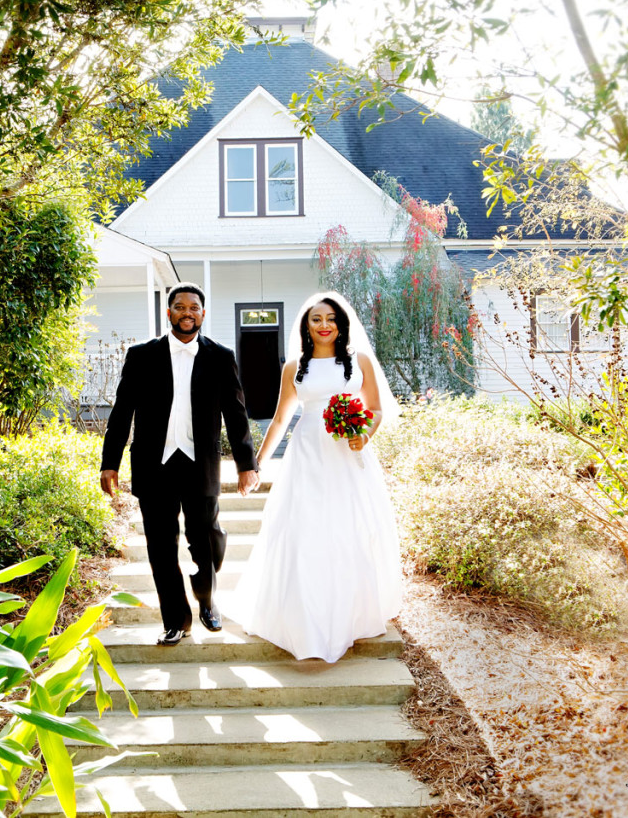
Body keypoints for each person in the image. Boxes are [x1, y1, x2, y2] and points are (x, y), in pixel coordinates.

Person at [229, 292, 404, 663]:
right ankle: (304, 620)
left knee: (346, 530)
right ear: (306, 327)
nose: (324, 326)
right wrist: (257, 464)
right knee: (302, 530)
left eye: (331, 319)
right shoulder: (294, 368)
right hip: (306, 455)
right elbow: (280, 420)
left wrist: (364, 434)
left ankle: (348, 616)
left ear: (341, 324)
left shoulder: (360, 362)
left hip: (347, 455)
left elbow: (374, 408)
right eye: (316, 320)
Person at [100, 283, 260, 646]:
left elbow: (236, 414)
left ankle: (207, 601)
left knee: (206, 541)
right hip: (154, 466)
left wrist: (246, 463)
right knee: (161, 547)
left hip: (199, 465)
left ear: (203, 314)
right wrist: (110, 463)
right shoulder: (141, 356)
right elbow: (122, 412)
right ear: (168, 312)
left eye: (194, 308)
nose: (187, 313)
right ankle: (176, 620)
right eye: (179, 307)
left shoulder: (220, 356)